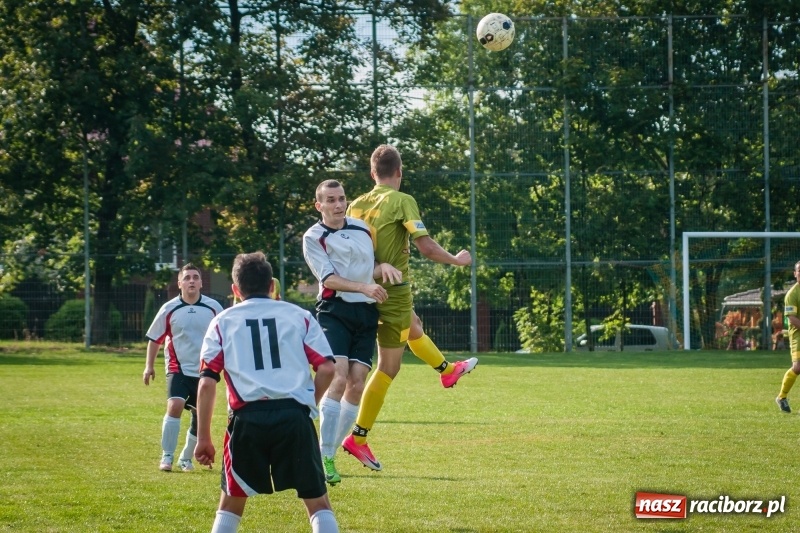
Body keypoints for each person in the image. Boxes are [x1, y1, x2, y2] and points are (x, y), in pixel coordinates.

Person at [341, 144, 478, 471]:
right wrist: (457, 260)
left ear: (373, 173)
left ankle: (447, 371)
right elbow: (427, 247)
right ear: (399, 172)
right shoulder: (403, 201)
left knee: (413, 325)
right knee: (388, 368)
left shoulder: (356, 205)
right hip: (392, 292)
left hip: (361, 288)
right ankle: (357, 438)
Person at [194, 252, 339, 533]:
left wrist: (203, 438)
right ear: (272, 286)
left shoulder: (222, 322)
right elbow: (327, 368)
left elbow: (207, 381)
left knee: (230, 504)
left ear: (236, 290)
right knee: (319, 503)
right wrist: (308, 403)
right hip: (294, 417)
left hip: (247, 419)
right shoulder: (299, 316)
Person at [302, 179, 402, 485]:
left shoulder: (360, 228)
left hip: (366, 311)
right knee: (339, 376)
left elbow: (365, 268)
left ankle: (331, 450)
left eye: (341, 198)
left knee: (357, 384)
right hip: (335, 311)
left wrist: (382, 267)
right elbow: (329, 279)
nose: (338, 204)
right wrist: (365, 287)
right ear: (319, 205)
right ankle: (323, 456)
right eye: (330, 200)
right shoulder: (313, 236)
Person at [143, 263, 223, 472]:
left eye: (195, 277)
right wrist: (148, 366)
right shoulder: (169, 308)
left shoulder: (214, 307)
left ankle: (185, 458)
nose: (191, 281)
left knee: (200, 415)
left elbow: (226, 335)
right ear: (179, 283)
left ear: (201, 282)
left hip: (205, 371)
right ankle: (167, 456)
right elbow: (155, 339)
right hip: (177, 368)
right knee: (175, 405)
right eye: (187, 278)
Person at [777, 260, 800, 413]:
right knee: (798, 368)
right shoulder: (792, 294)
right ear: (795, 273)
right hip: (798, 335)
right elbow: (791, 318)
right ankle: (782, 397)